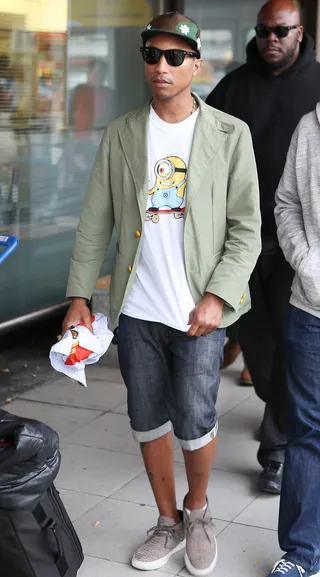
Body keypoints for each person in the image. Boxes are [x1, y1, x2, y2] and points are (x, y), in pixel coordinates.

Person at [62, 11, 261, 576]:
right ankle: (167, 518)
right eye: (153, 55)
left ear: (196, 64)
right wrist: (80, 294)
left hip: (199, 311)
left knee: (196, 418)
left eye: (176, 56)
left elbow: (247, 228)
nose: (163, 66)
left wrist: (219, 296)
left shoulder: (229, 134)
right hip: (137, 309)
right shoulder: (122, 132)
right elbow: (95, 220)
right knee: (146, 416)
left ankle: (197, 512)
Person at [206, 0, 320, 494]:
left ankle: (276, 450)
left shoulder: (317, 86)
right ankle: (279, 416)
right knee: (256, 343)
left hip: (300, 242)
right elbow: (199, 137)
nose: (270, 38)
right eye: (262, 30)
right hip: (244, 239)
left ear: (300, 32)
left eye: (280, 30)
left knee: (289, 347)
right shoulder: (235, 84)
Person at [267, 104, 320, 577]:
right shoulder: (309, 126)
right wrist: (309, 265)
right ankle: (303, 554)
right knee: (307, 431)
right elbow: (287, 203)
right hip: (312, 308)